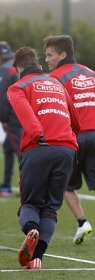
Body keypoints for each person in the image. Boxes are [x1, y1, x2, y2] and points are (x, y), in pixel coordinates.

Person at [44, 35, 95, 246]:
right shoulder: (92, 74)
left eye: (49, 55)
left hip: (72, 138)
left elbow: (55, 109)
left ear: (63, 54)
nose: (46, 59)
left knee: (66, 186)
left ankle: (82, 222)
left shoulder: (56, 77)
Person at [8, 46, 80, 269]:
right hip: (67, 149)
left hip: (38, 147)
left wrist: (38, 134)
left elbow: (25, 113)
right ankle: (36, 257)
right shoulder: (57, 84)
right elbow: (75, 119)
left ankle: (31, 229)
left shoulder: (18, 87)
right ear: (38, 65)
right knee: (50, 209)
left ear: (20, 68)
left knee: (29, 204)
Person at [0, 41, 22, 197]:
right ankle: (6, 185)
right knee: (8, 149)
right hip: (21, 115)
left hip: (13, 118)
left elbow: (4, 97)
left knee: (22, 154)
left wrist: (3, 118)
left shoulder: (5, 70)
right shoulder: (18, 66)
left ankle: (28, 188)